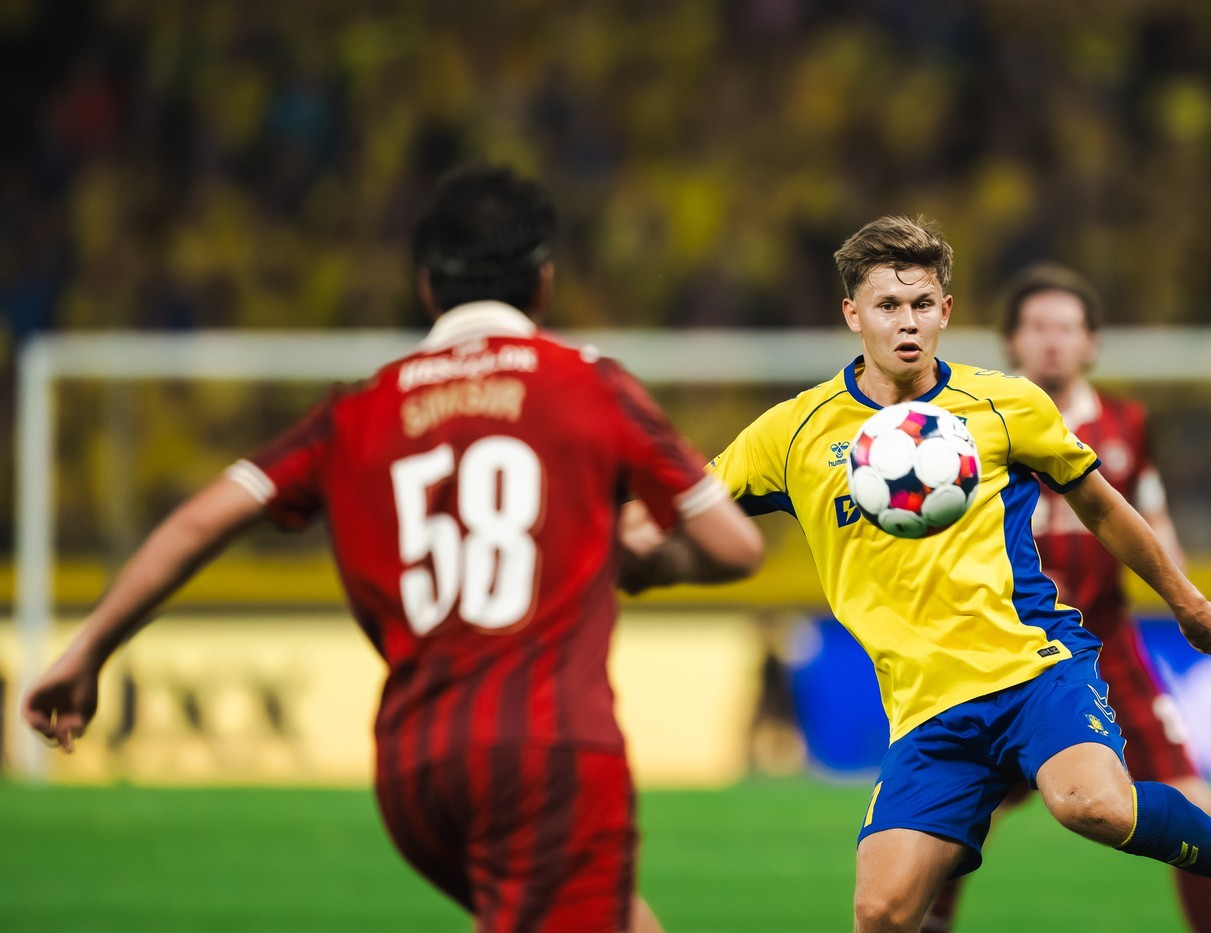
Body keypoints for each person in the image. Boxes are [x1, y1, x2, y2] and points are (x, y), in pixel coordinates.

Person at [23, 164, 765, 933]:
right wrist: (631, 559)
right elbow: (736, 548)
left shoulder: (356, 410)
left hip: (414, 768)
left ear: (425, 287)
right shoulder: (588, 383)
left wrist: (87, 650)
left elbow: (197, 523)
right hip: (544, 750)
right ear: (543, 283)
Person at [630, 215, 1211, 933]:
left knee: (1093, 805)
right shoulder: (789, 432)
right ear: (852, 312)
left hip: (1031, 667)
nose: (907, 322)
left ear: (947, 309)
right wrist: (626, 539)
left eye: (922, 303)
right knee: (880, 912)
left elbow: (1102, 504)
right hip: (926, 710)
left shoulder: (1004, 404)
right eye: (888, 305)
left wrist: (1184, 601)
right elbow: (689, 502)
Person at [922, 263, 1211, 933]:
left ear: (1091, 343)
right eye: (1037, 327)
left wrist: (1186, 595)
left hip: (1107, 648)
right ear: (1011, 342)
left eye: (1066, 327)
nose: (1052, 341)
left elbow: (1150, 517)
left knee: (1195, 804)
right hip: (1005, 656)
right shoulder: (963, 428)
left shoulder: (1126, 426)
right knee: (945, 825)